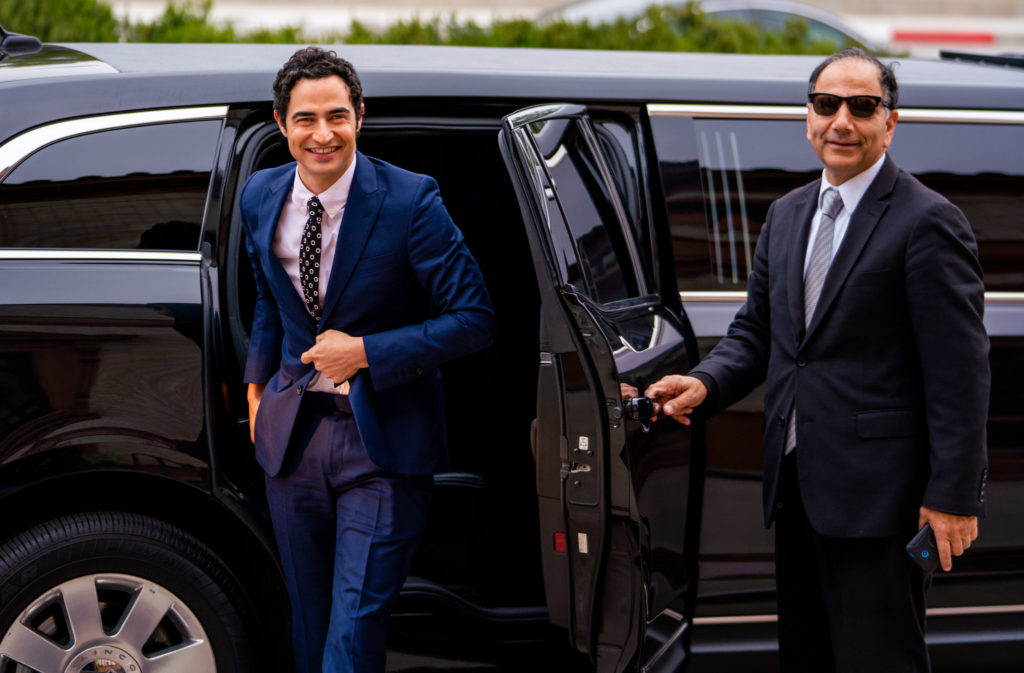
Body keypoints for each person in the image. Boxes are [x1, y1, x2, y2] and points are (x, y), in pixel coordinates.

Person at [646, 47, 989, 673]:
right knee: (808, 657)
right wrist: (703, 383)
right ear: (807, 115)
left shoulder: (929, 221)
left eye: (863, 107)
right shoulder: (787, 214)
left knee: (877, 660)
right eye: (827, 105)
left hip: (882, 500)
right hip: (798, 489)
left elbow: (960, 375)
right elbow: (757, 334)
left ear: (890, 122)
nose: (842, 122)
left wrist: (955, 497)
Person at [239, 46, 495, 673]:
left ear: (360, 116)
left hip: (380, 445)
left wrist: (366, 353)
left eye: (336, 116)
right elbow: (270, 300)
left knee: (351, 636)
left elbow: (475, 319)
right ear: (281, 123)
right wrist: (254, 390)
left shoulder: (411, 201)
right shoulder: (259, 194)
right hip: (291, 439)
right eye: (305, 119)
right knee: (309, 625)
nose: (322, 134)